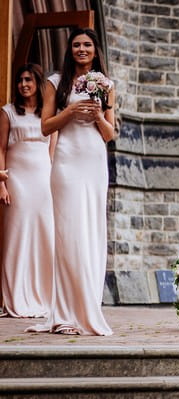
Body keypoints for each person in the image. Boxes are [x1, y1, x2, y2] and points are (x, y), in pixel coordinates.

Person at [27, 28, 115, 335]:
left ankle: (87, 306)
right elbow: (46, 126)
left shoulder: (106, 84)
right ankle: (64, 313)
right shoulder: (55, 82)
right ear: (70, 50)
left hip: (94, 161)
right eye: (76, 45)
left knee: (91, 232)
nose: (81, 49)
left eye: (87, 45)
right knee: (69, 233)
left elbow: (109, 134)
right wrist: (72, 110)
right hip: (66, 162)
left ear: (94, 50)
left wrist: (98, 117)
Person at [0, 63, 56, 317]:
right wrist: (2, 183)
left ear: (38, 83)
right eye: (21, 80)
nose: (24, 84)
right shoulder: (8, 112)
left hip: (43, 179)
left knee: (44, 236)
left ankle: (44, 296)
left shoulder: (48, 113)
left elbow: (52, 151)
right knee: (17, 236)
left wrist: (55, 181)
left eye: (29, 80)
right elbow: (0, 149)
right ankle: (13, 297)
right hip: (17, 181)